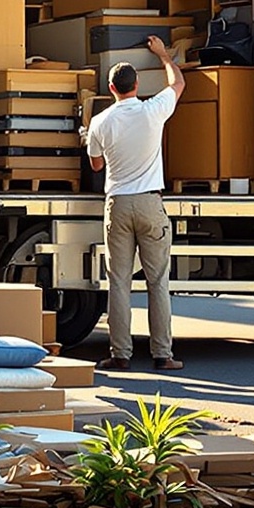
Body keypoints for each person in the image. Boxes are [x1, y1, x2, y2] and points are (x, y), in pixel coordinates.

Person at [85, 39, 185, 373]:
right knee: (157, 281)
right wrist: (163, 55)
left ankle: (120, 355)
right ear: (137, 85)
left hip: (118, 203)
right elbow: (178, 83)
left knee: (119, 282)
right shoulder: (153, 110)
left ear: (111, 88)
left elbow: (96, 166)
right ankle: (163, 354)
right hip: (150, 203)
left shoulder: (100, 122)